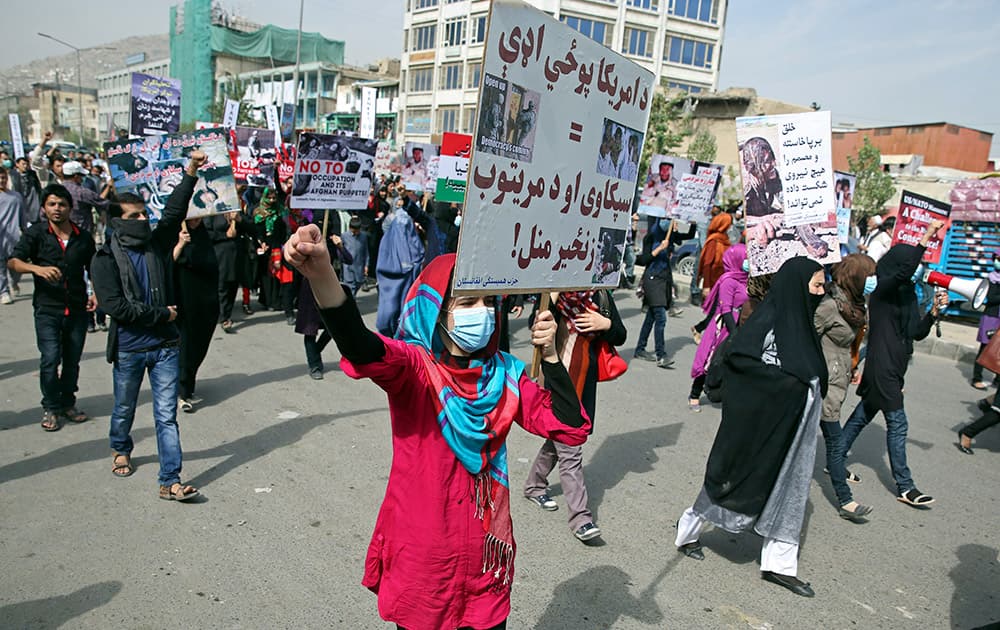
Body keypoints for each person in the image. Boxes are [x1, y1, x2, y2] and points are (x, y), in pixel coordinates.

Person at [282, 228, 591, 629]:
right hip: (424, 564)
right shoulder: (414, 371)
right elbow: (360, 346)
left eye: (487, 302)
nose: (482, 311)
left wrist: (550, 357)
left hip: (485, 559)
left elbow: (569, 427)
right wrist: (322, 274)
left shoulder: (509, 375)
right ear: (436, 311)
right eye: (466, 302)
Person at [674, 257, 828, 598]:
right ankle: (688, 529)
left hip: (795, 430)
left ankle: (779, 564)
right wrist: (793, 386)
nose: (822, 292)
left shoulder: (802, 327)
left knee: (790, 490)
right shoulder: (768, 325)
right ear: (797, 288)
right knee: (730, 482)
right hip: (759, 427)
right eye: (816, 286)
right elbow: (741, 364)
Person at [90, 152, 207, 502]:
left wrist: (191, 171)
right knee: (124, 407)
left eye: (144, 214)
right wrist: (163, 315)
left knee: (166, 416)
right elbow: (116, 308)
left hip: (166, 347)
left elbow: (173, 211)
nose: (143, 220)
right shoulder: (105, 259)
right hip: (130, 348)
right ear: (117, 223)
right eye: (134, 216)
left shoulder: (157, 243)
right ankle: (120, 446)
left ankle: (170, 479)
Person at [839, 222, 948, 509]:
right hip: (881, 367)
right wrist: (924, 240)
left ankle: (835, 458)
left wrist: (933, 313)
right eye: (912, 265)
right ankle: (906, 486)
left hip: (895, 369)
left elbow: (915, 332)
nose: (915, 271)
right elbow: (902, 271)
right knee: (898, 424)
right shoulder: (885, 291)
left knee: (862, 415)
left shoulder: (907, 294)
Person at [524, 289, 626, 543]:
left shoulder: (600, 295)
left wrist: (606, 323)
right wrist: (554, 299)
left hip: (583, 383)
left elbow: (620, 335)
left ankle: (534, 485)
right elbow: (533, 327)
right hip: (556, 381)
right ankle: (581, 518)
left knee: (559, 439)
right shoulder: (554, 293)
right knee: (570, 448)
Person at [8, 183, 96, 431]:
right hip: (47, 308)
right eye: (52, 204)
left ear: (70, 207)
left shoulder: (83, 237)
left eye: (62, 204)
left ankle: (68, 403)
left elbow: (95, 268)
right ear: (45, 208)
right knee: (49, 359)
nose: (57, 209)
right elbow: (14, 262)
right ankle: (50, 407)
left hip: (77, 308)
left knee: (72, 360)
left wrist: (96, 292)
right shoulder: (36, 234)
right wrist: (38, 269)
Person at [814, 254, 877, 522]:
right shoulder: (829, 305)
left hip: (839, 380)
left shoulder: (856, 305)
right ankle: (846, 500)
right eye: (869, 275)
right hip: (822, 383)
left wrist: (852, 365)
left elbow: (855, 343)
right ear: (856, 276)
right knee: (836, 441)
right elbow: (807, 336)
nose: (873, 280)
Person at [688, 244, 748, 412]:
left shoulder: (747, 279)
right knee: (711, 360)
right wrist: (733, 332)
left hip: (741, 324)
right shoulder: (728, 281)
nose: (748, 261)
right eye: (745, 257)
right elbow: (726, 308)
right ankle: (694, 394)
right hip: (724, 327)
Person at [172, 216, 221, 412]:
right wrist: (180, 244)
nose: (195, 221)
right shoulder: (174, 236)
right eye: (191, 217)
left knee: (199, 344)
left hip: (205, 299)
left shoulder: (203, 237)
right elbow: (167, 263)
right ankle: (181, 392)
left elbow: (212, 266)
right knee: (185, 343)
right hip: (183, 298)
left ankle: (189, 385)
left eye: (198, 216)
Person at [633, 217, 695, 368]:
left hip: (664, 279)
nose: (668, 222)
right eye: (666, 219)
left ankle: (640, 349)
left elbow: (689, 236)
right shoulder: (651, 237)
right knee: (661, 317)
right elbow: (641, 260)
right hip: (652, 279)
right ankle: (661, 355)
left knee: (651, 317)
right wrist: (659, 249)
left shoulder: (670, 235)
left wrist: (693, 222)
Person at [206, 212, 252, 333]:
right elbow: (207, 233)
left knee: (233, 286)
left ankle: (227, 313)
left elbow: (251, 227)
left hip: (236, 255)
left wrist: (239, 219)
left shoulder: (235, 211)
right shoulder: (213, 212)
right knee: (222, 287)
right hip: (220, 255)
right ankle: (223, 317)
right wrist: (225, 235)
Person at [970, 247, 1000, 390]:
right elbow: (990, 298)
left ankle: (998, 379)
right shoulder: (991, 279)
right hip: (991, 317)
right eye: (997, 259)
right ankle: (977, 378)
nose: (997, 262)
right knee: (984, 348)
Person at [0, 167, 27, 304]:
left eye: (3, 178)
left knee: (16, 265)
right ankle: (3, 292)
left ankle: (13, 281)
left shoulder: (16, 197)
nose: (1, 180)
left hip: (14, 236)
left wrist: (25, 231)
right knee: (0, 266)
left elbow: (23, 216)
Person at [697, 212, 733, 293]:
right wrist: (706, 286)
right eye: (729, 224)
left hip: (723, 281)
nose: (730, 227)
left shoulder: (726, 239)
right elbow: (707, 264)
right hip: (713, 282)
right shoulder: (713, 241)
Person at [340, 216, 368, 296]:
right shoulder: (344, 236)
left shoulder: (363, 236)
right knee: (350, 287)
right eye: (354, 230)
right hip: (348, 268)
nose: (356, 232)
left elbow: (366, 251)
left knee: (357, 284)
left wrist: (366, 265)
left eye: (357, 230)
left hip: (359, 266)